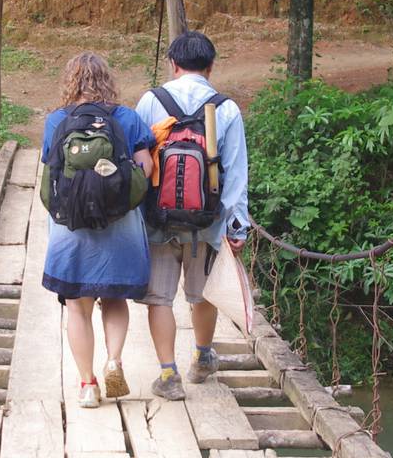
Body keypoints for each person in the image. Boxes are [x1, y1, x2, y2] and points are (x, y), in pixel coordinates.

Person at [135, 31, 250, 401]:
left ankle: (168, 374)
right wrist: (238, 226)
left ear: (173, 63)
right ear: (211, 66)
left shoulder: (151, 101)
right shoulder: (226, 108)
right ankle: (202, 358)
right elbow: (235, 173)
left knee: (159, 298)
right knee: (202, 296)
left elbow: (137, 164)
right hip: (208, 221)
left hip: (158, 220)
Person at [40, 53, 156, 408]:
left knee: (77, 307)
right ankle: (114, 360)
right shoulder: (127, 118)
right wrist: (116, 194)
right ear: (107, 80)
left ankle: (88, 384)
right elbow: (147, 168)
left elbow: (50, 176)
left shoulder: (56, 121)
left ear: (69, 81)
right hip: (120, 226)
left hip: (70, 228)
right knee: (115, 298)